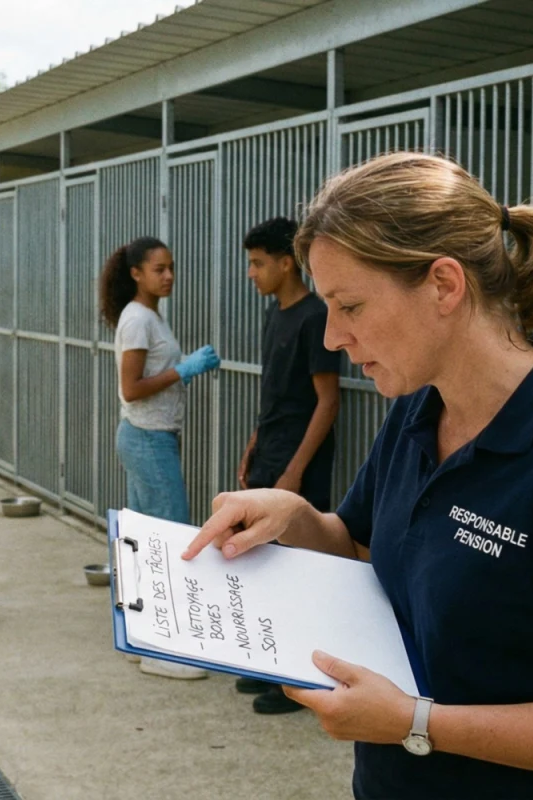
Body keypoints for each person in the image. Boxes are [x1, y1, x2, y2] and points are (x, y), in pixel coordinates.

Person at [183, 152, 533, 799]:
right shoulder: (417, 412)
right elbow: (367, 547)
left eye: (350, 306)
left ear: (445, 286)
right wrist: (299, 519)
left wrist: (417, 723)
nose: (335, 336)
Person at [231, 217, 342, 715]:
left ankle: (296, 683)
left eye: (257, 264)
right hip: (271, 454)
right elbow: (272, 393)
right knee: (262, 564)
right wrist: (254, 446)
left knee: (296, 570)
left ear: (285, 262)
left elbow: (326, 401)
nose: (251, 274)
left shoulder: (315, 317)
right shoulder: (275, 314)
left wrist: (296, 471)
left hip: (300, 464)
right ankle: (267, 667)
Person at [101, 236, 221, 680]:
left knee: (142, 539)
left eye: (171, 267)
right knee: (170, 542)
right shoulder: (138, 320)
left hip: (146, 436)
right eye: (158, 269)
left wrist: (179, 368)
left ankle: (140, 639)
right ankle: (164, 651)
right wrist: (183, 370)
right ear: (136, 273)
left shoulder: (149, 316)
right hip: (148, 439)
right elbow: (130, 388)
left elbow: (149, 376)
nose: (168, 276)